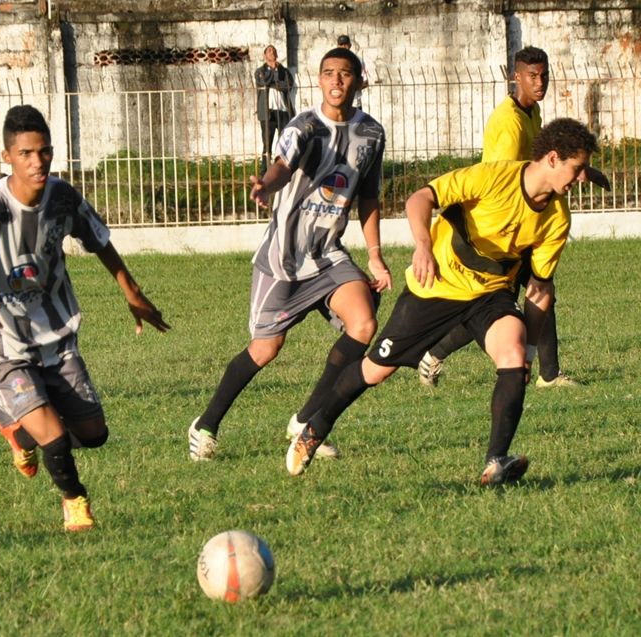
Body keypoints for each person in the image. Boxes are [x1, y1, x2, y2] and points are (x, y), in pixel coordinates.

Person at [287, 118, 598, 485]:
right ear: (551, 158)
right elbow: (421, 198)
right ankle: (313, 430)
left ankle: (495, 463)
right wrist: (423, 246)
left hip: (490, 294)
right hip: (436, 286)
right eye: (577, 169)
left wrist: (531, 349)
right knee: (376, 368)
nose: (581, 179)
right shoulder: (493, 178)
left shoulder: (557, 218)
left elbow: (540, 288)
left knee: (512, 352)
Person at [0, 104, 170, 532]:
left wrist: (132, 292)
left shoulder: (64, 197)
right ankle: (75, 501)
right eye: (27, 153)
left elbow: (100, 241)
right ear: (8, 156)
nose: (38, 162)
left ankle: (21, 433)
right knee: (53, 433)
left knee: (94, 433)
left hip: (53, 333)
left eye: (45, 152)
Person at [188, 47, 392, 462]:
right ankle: (205, 424)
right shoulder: (305, 126)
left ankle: (306, 419)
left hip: (328, 254)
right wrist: (266, 184)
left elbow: (368, 197)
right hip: (284, 257)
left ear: (358, 80)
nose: (336, 81)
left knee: (364, 323)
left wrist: (375, 256)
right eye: (329, 73)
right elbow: (282, 163)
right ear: (319, 80)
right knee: (265, 349)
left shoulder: (371, 133)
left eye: (345, 74)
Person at [417, 46, 576, 389]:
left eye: (544, 75)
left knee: (539, 290)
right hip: (504, 230)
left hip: (526, 224)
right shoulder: (508, 123)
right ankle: (433, 352)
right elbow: (503, 181)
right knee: (495, 306)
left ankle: (548, 374)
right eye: (532, 76)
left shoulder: (530, 113)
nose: (540, 82)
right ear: (515, 76)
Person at [254, 45, 296, 171]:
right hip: (267, 112)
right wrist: (275, 76)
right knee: (267, 143)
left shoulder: (284, 71)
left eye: (274, 51)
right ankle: (265, 171)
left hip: (283, 111)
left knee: (284, 142)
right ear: (265, 55)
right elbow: (263, 82)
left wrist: (274, 81)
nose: (272, 53)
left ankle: (283, 168)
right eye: (269, 51)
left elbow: (288, 86)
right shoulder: (260, 71)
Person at [336, 35, 369, 109]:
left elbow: (366, 82)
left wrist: (352, 88)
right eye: (341, 44)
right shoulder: (333, 62)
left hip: (354, 104)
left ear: (350, 45)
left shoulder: (358, 60)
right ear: (338, 46)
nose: (343, 46)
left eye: (345, 44)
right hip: (339, 104)